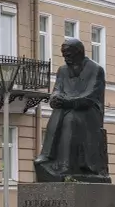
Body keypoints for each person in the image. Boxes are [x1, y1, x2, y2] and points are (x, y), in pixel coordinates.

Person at [34, 38, 110, 183]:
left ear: (79, 53)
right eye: (64, 55)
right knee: (58, 112)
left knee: (70, 119)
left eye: (69, 55)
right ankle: (47, 155)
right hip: (68, 108)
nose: (66, 58)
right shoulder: (62, 70)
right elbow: (57, 89)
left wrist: (69, 102)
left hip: (90, 112)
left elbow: (91, 96)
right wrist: (55, 98)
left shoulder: (96, 70)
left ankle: (65, 165)